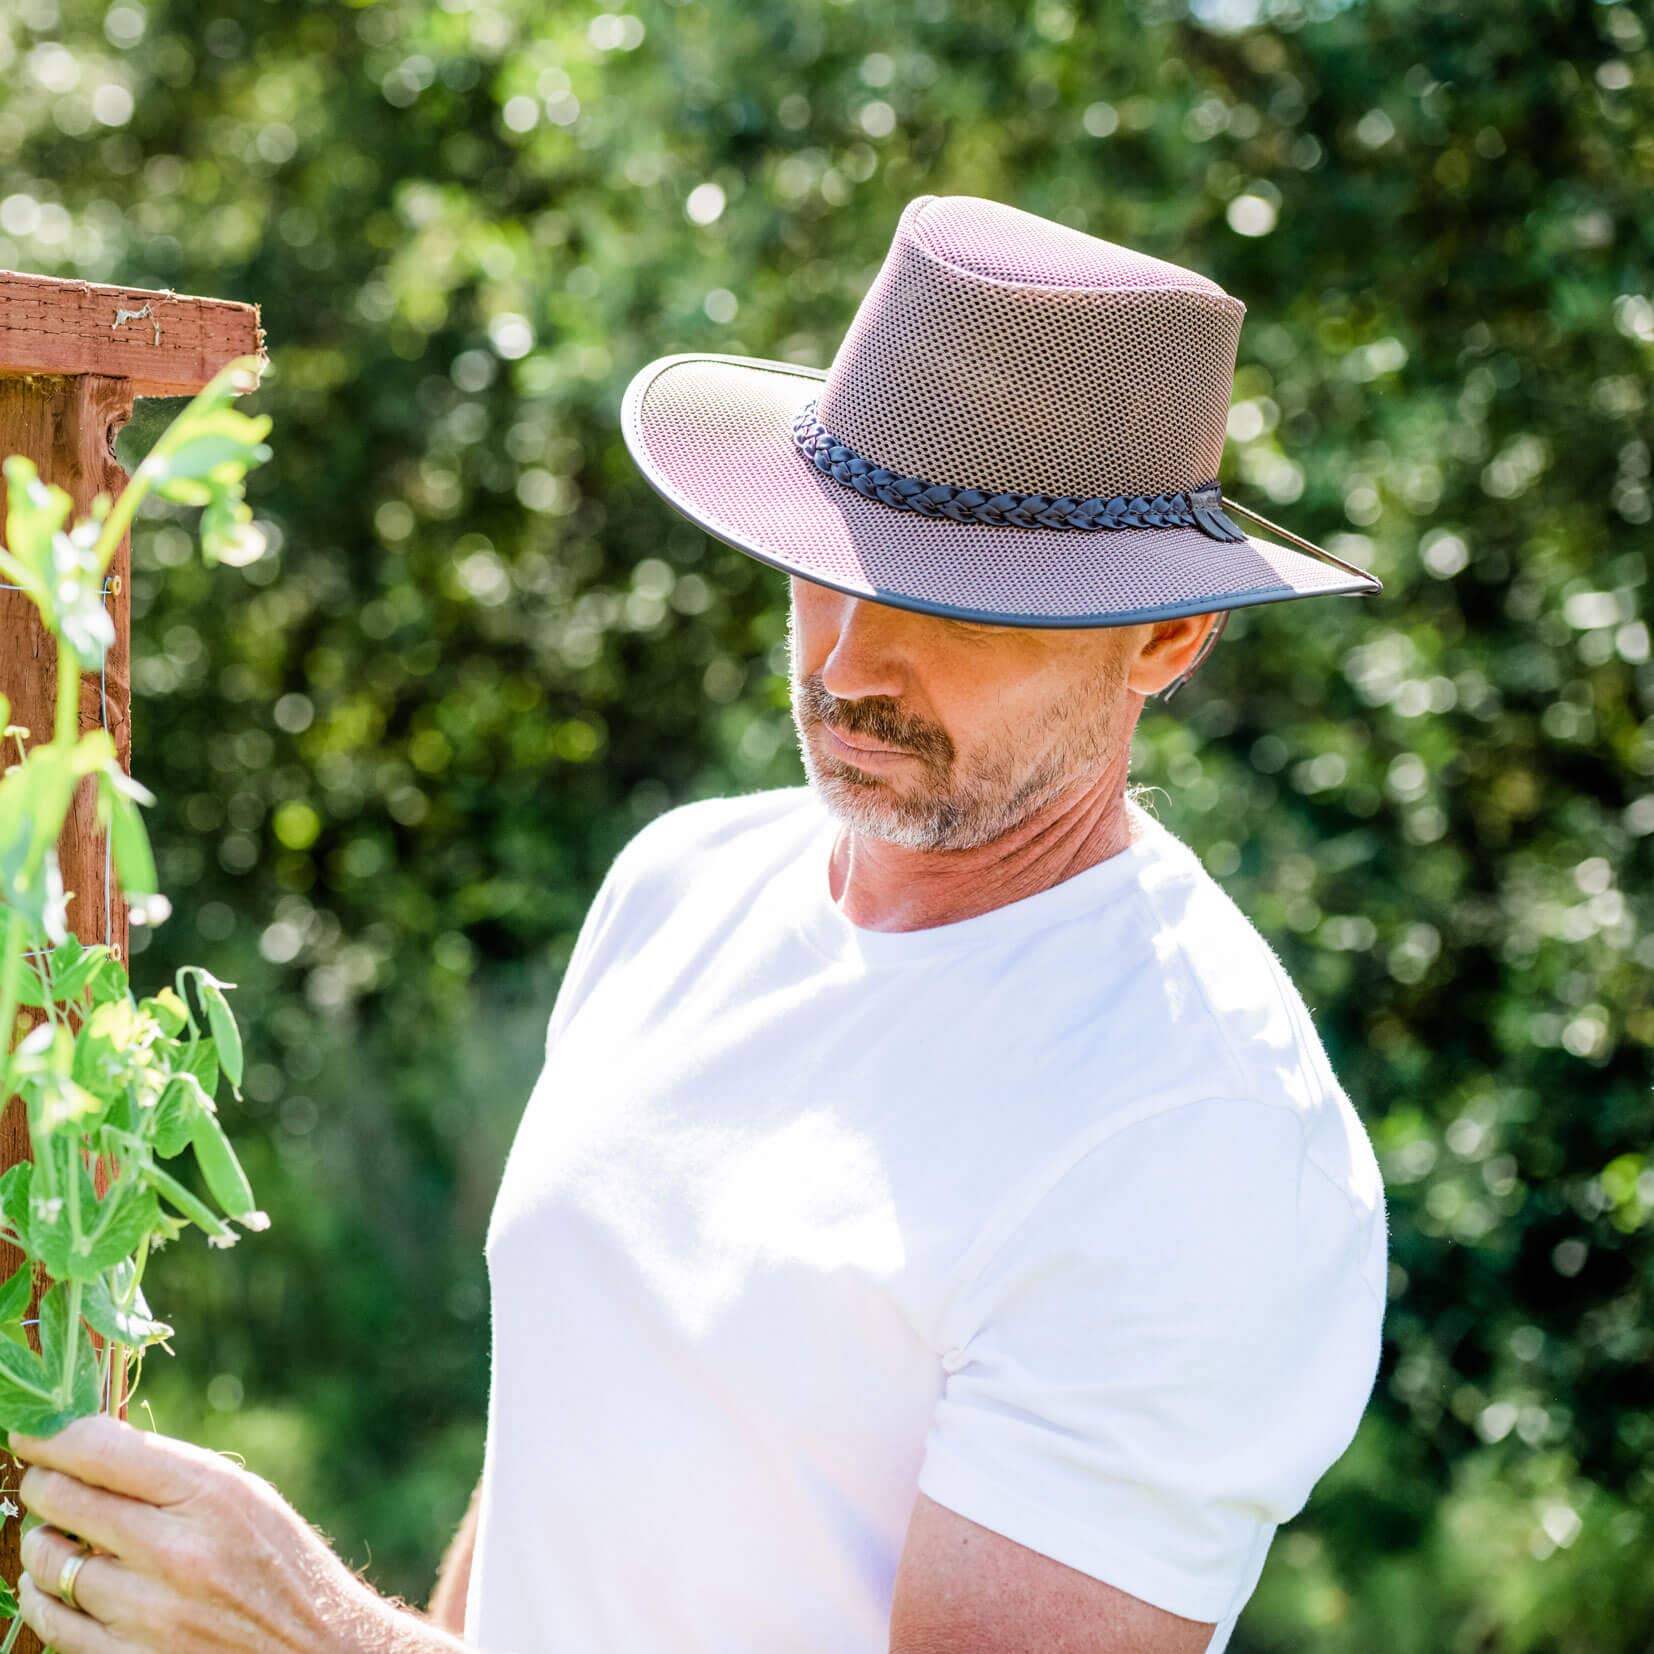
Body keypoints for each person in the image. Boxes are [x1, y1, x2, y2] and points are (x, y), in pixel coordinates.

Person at [5, 195, 1387, 1654]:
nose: (852, 662)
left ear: (1164, 640)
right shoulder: (686, 885)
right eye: (829, 566)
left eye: (958, 606)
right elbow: (571, 1467)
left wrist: (327, 1640)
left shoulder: (1189, 1131)